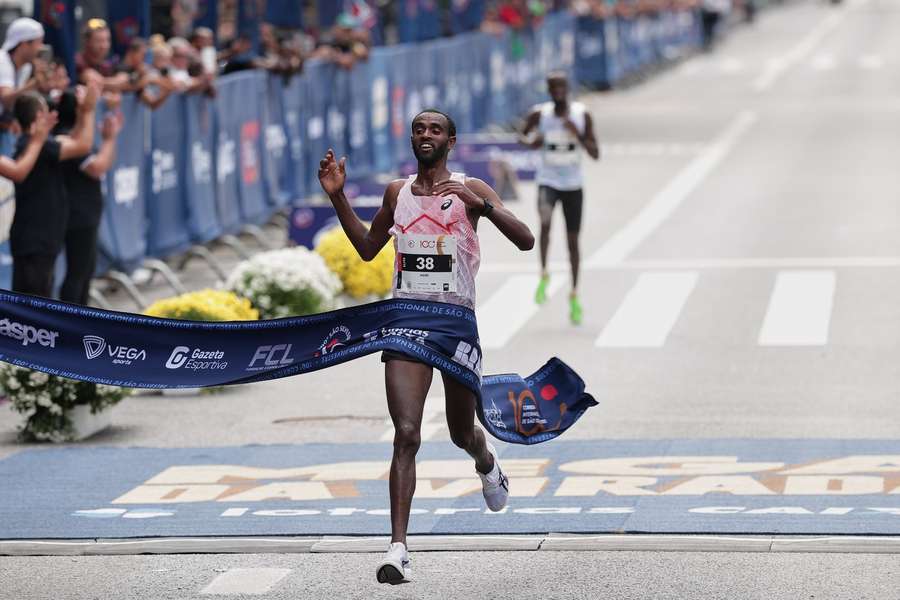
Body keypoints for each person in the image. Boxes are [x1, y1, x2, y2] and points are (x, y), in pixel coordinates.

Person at [317, 110, 534, 585]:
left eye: (435, 130)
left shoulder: (470, 188)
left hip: (455, 323)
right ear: (412, 139)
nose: (426, 136)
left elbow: (526, 241)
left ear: (451, 141)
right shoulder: (397, 193)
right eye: (419, 129)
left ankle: (487, 463)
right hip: (406, 323)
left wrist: (484, 205)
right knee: (407, 432)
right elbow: (369, 247)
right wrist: (338, 199)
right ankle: (399, 549)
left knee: (462, 433)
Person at [518, 72, 599, 325]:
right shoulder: (539, 115)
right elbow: (521, 137)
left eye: (561, 87)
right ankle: (544, 274)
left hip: (573, 185)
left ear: (568, 89)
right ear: (549, 90)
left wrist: (578, 134)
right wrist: (533, 141)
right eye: (553, 88)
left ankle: (574, 294)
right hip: (548, 180)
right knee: (544, 222)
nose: (557, 92)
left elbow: (595, 153)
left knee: (573, 241)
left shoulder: (580, 114)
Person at [9, 84, 98, 297]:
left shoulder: (39, 145)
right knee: (35, 303)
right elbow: (83, 145)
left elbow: (74, 140)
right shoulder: (39, 146)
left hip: (36, 238)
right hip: (36, 240)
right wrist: (88, 111)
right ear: (40, 116)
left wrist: (82, 112)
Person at [54, 89, 123, 305]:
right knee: (77, 272)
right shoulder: (65, 137)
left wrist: (108, 138)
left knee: (85, 272)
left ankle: (80, 320)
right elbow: (97, 167)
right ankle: (70, 323)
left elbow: (103, 164)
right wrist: (110, 139)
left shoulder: (78, 136)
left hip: (87, 212)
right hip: (77, 213)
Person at [0, 17, 45, 114]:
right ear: (24, 44)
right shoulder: (2, 61)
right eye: (38, 43)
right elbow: (6, 100)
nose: (40, 48)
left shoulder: (26, 67)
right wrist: (34, 83)